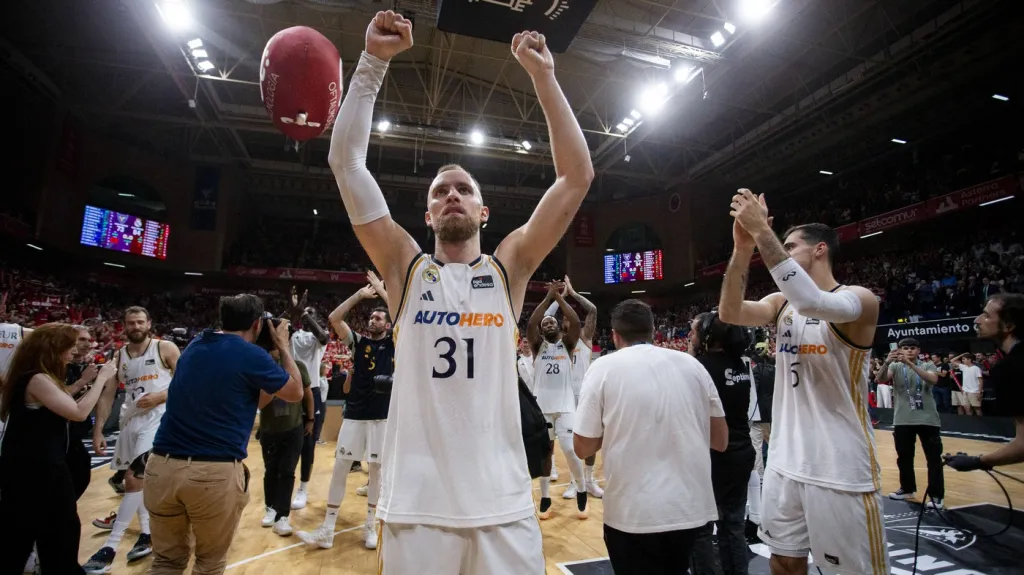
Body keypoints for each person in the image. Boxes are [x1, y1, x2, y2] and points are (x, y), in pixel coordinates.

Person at [329, 9, 593, 572]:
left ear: (483, 209)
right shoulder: (405, 269)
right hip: (417, 506)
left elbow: (576, 177)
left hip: (502, 501)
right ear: (426, 214)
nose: (452, 195)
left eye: (464, 189)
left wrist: (545, 78)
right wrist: (372, 64)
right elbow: (347, 164)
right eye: (440, 191)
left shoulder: (509, 269)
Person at [719, 191, 888, 575]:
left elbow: (812, 303)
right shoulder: (780, 303)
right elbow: (729, 312)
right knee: (783, 564)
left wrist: (762, 230)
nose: (781, 249)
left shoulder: (859, 299)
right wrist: (742, 247)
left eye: (791, 245)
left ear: (820, 250)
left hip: (840, 467)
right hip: (784, 462)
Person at [143, 294, 303, 574]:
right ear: (257, 324)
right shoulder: (250, 354)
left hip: (161, 467)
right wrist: (283, 347)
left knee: (166, 562)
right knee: (209, 564)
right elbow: (295, 392)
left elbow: (257, 401)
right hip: (211, 472)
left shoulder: (195, 345)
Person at [573, 299, 728, 574]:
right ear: (654, 331)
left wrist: (616, 428)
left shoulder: (602, 367)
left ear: (615, 335)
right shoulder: (693, 365)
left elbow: (583, 447)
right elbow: (720, 440)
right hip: (689, 509)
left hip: (633, 513)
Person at [0, 323, 117, 574]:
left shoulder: (31, 376)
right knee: (59, 537)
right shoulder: (38, 378)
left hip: (28, 469)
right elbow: (78, 412)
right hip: (40, 471)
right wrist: (102, 380)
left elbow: (60, 400)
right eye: (69, 346)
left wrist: (83, 382)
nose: (73, 351)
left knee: (22, 538)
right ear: (53, 349)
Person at [299, 273, 393, 550]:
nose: (373, 321)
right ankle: (327, 528)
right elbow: (334, 318)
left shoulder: (394, 342)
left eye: (379, 319)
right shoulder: (358, 343)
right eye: (371, 318)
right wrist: (361, 296)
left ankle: (369, 526)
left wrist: (382, 291)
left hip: (381, 417)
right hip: (354, 414)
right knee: (340, 467)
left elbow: (404, 315)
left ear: (388, 325)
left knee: (376, 471)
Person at [85, 307, 181, 573]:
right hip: (131, 421)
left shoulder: (165, 348)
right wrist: (98, 429)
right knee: (139, 485)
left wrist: (161, 397)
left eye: (140, 321)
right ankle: (148, 535)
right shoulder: (119, 355)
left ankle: (110, 548)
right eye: (131, 323)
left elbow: (186, 380)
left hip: (160, 419)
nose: (136, 326)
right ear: (124, 326)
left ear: (149, 323)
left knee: (132, 479)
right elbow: (107, 394)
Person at [687, 312, 756, 575]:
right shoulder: (740, 364)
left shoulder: (700, 366)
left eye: (693, 332)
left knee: (701, 527)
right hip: (741, 451)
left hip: (713, 454)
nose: (690, 338)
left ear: (706, 336)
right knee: (733, 526)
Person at [528, 280, 587, 520]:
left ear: (558, 328)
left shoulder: (568, 345)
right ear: (542, 332)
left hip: (564, 408)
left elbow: (575, 322)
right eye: (547, 323)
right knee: (545, 454)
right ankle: (544, 496)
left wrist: (560, 299)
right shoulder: (537, 346)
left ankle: (581, 488)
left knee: (570, 450)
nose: (550, 323)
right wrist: (548, 298)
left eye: (553, 321)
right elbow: (532, 322)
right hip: (542, 409)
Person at [946, 293, 1024, 471]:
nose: (977, 320)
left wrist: (979, 461)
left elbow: (1023, 444)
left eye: (986, 315)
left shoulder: (1011, 367)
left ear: (1008, 325)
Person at [875, 338, 944, 509]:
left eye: (912, 348)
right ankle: (907, 489)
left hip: (928, 419)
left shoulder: (927, 365)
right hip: (902, 419)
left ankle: (936, 495)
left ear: (918, 350)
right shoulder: (895, 366)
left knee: (933, 459)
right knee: (904, 458)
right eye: (905, 348)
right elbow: (880, 379)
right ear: (900, 350)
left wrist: (910, 364)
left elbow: (932, 380)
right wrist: (886, 363)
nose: (909, 351)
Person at [258, 340, 313, 537]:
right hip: (269, 428)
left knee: (287, 471)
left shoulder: (297, 366)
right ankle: (270, 507)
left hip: (293, 427)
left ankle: (282, 516)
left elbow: (307, 394)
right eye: (269, 347)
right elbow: (260, 403)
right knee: (270, 470)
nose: (273, 351)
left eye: (275, 347)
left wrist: (311, 419)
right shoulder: (260, 368)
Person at [287, 288, 330, 511]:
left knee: (308, 444)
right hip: (293, 390)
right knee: (290, 441)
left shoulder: (318, 340)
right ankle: (286, 485)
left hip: (312, 392)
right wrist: (296, 311)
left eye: (311, 314)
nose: (307, 315)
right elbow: (279, 328)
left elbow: (324, 336)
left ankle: (303, 487)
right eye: (306, 314)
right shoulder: (294, 336)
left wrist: (306, 316)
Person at [562, 275, 603, 499]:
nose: (572, 321)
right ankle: (574, 480)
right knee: (570, 442)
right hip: (566, 396)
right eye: (568, 319)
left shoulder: (585, 337)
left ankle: (589, 480)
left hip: (586, 393)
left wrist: (572, 292)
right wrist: (558, 298)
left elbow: (593, 310)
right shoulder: (557, 340)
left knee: (590, 437)